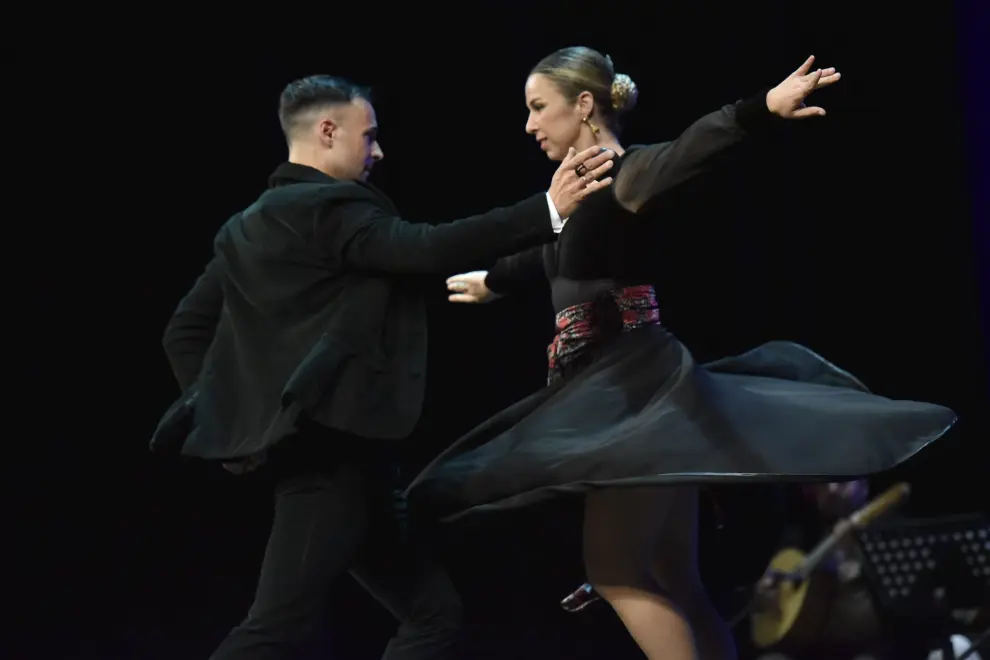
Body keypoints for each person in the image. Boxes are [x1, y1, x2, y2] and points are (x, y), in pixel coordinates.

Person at [405, 47, 958, 660]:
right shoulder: (579, 194)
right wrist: (494, 283)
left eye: (539, 107)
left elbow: (693, 147)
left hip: (631, 396)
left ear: (583, 105)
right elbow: (551, 255)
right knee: (673, 577)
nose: (530, 124)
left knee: (617, 571)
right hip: (620, 392)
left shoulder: (627, 172)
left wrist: (762, 108)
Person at [150, 74, 616, 660]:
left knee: (432, 615)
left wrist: (236, 421)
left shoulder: (246, 226)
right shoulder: (328, 208)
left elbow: (183, 331)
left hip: (354, 461)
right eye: (368, 137)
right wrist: (548, 208)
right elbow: (423, 247)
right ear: (327, 131)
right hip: (331, 459)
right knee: (276, 627)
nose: (378, 152)